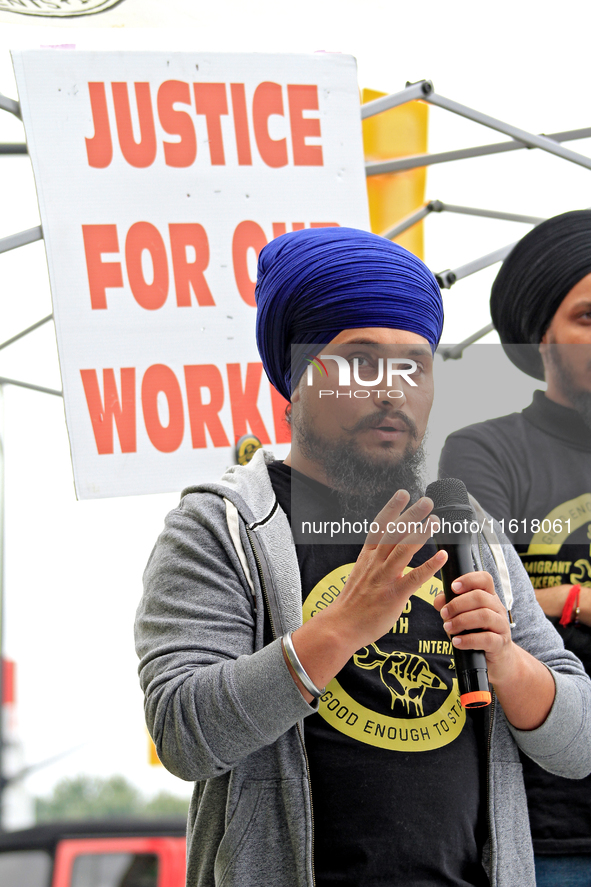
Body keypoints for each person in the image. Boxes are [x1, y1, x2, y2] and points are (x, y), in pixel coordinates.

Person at [135, 227, 591, 887]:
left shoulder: (470, 530)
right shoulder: (222, 525)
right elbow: (184, 732)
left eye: (413, 362)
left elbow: (576, 745)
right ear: (296, 372)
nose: (391, 389)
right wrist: (345, 624)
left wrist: (507, 659)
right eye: (358, 360)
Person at [439, 209, 591, 886]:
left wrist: (555, 599)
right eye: (586, 317)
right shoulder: (484, 451)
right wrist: (578, 599)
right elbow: (479, 602)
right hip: (544, 816)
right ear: (536, 339)